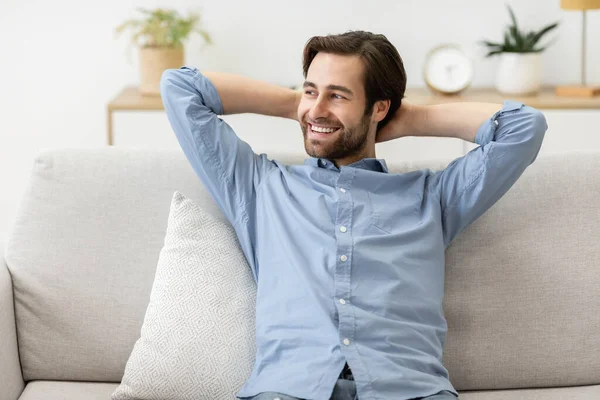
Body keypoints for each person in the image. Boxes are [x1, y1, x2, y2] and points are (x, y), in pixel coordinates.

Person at [160, 30, 547, 400]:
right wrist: (302, 106)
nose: (317, 108)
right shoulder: (260, 187)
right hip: (288, 390)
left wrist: (406, 119)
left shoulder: (434, 197)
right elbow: (180, 87)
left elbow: (524, 127)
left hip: (409, 391)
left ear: (379, 107)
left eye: (338, 96)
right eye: (311, 90)